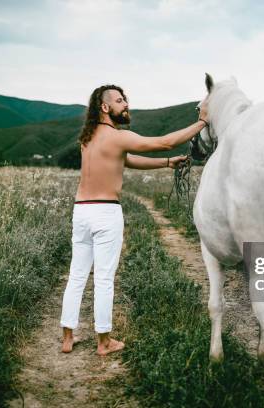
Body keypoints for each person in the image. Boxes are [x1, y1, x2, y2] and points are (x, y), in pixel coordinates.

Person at [60, 84, 209, 355]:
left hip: (81, 210)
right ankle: (104, 342)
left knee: (77, 275)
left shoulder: (89, 138)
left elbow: (125, 160)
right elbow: (163, 142)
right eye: (119, 100)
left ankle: (67, 337)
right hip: (105, 212)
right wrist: (202, 122)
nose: (126, 104)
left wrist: (166, 163)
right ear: (104, 107)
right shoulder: (117, 136)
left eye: (125, 99)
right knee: (104, 278)